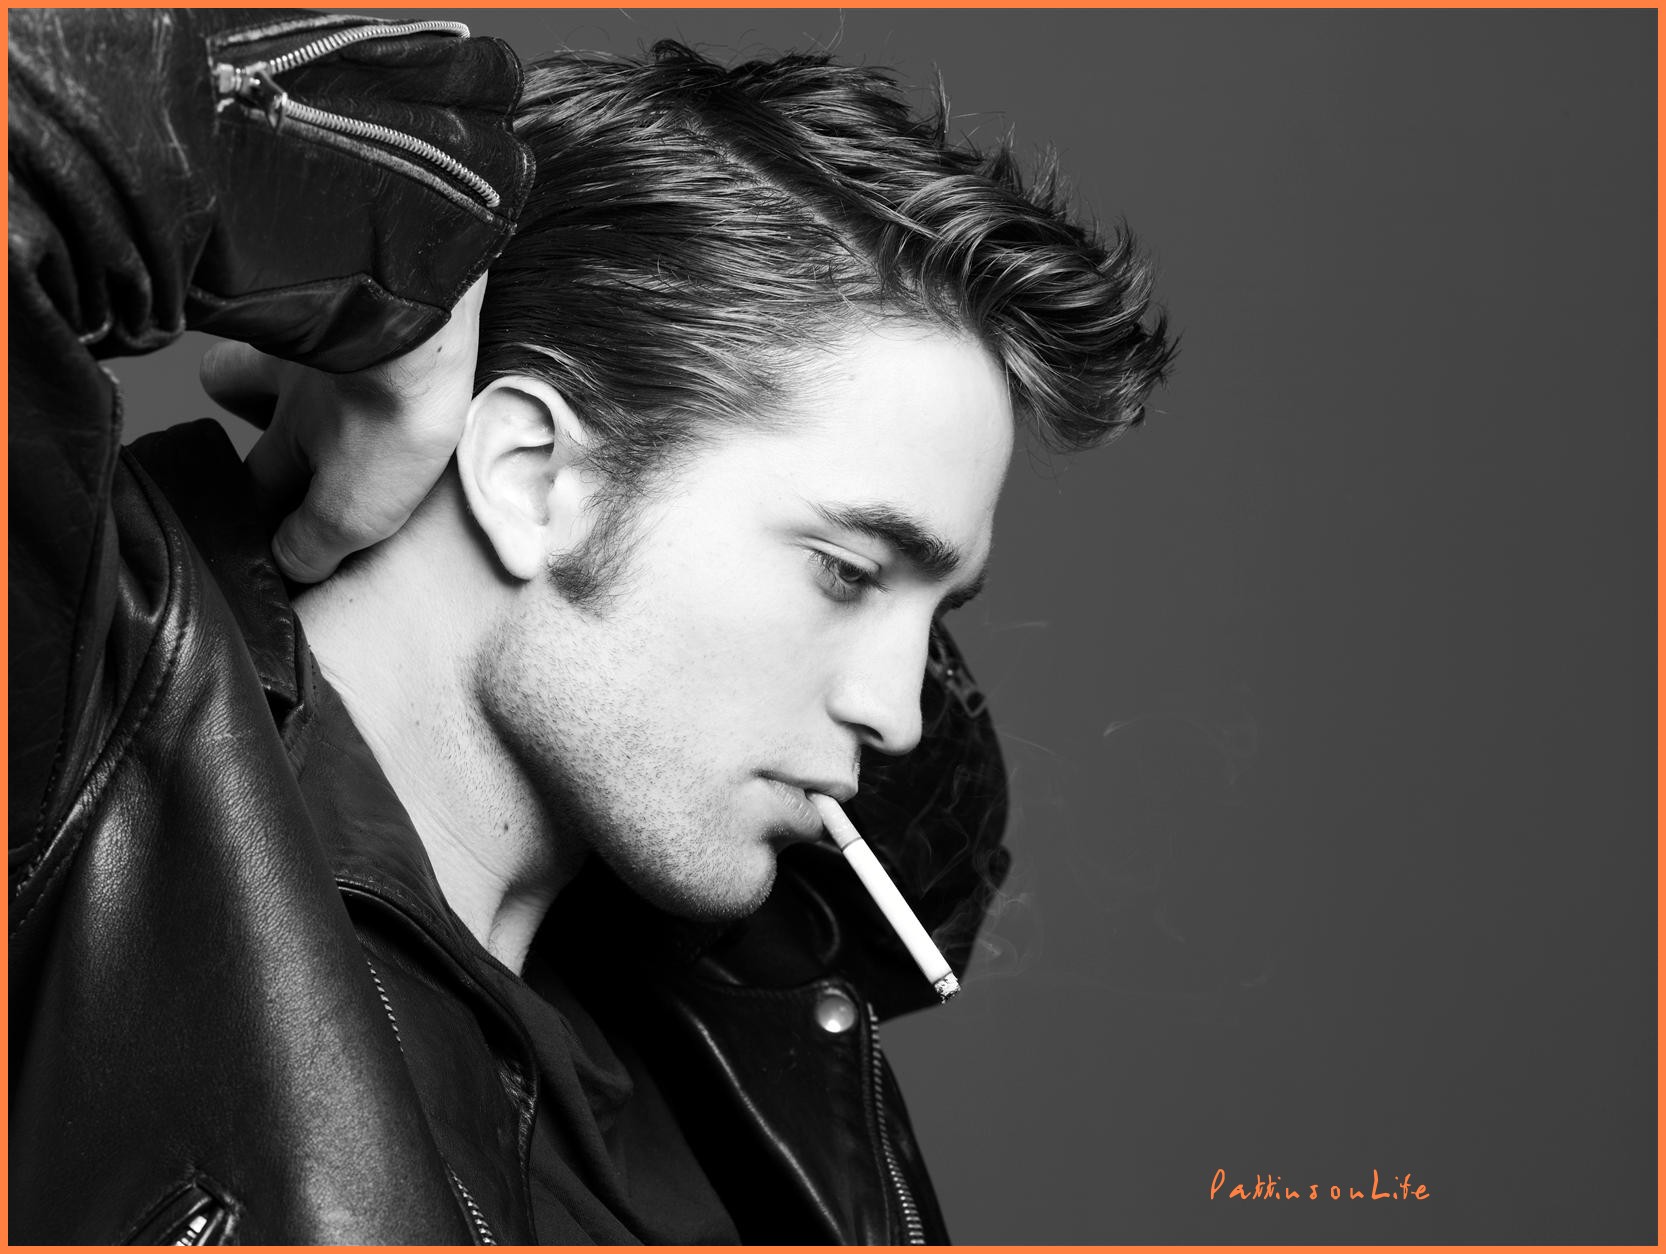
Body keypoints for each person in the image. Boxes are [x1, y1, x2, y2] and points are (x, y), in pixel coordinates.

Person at [9, 9, 1172, 1244]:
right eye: (844, 572)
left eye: (935, 612)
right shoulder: (69, 745)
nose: (901, 712)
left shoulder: (745, 1062)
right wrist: (390, 251)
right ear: (532, 475)